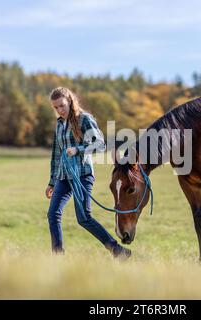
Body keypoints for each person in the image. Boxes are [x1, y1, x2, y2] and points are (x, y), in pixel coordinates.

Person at [45, 87, 131, 259]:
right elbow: (56, 154)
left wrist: (77, 150)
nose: (59, 110)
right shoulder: (59, 124)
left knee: (84, 218)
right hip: (63, 176)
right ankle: (57, 256)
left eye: (62, 105)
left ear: (69, 101)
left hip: (83, 175)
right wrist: (52, 182)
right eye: (56, 108)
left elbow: (100, 144)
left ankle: (117, 251)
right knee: (53, 214)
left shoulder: (84, 119)